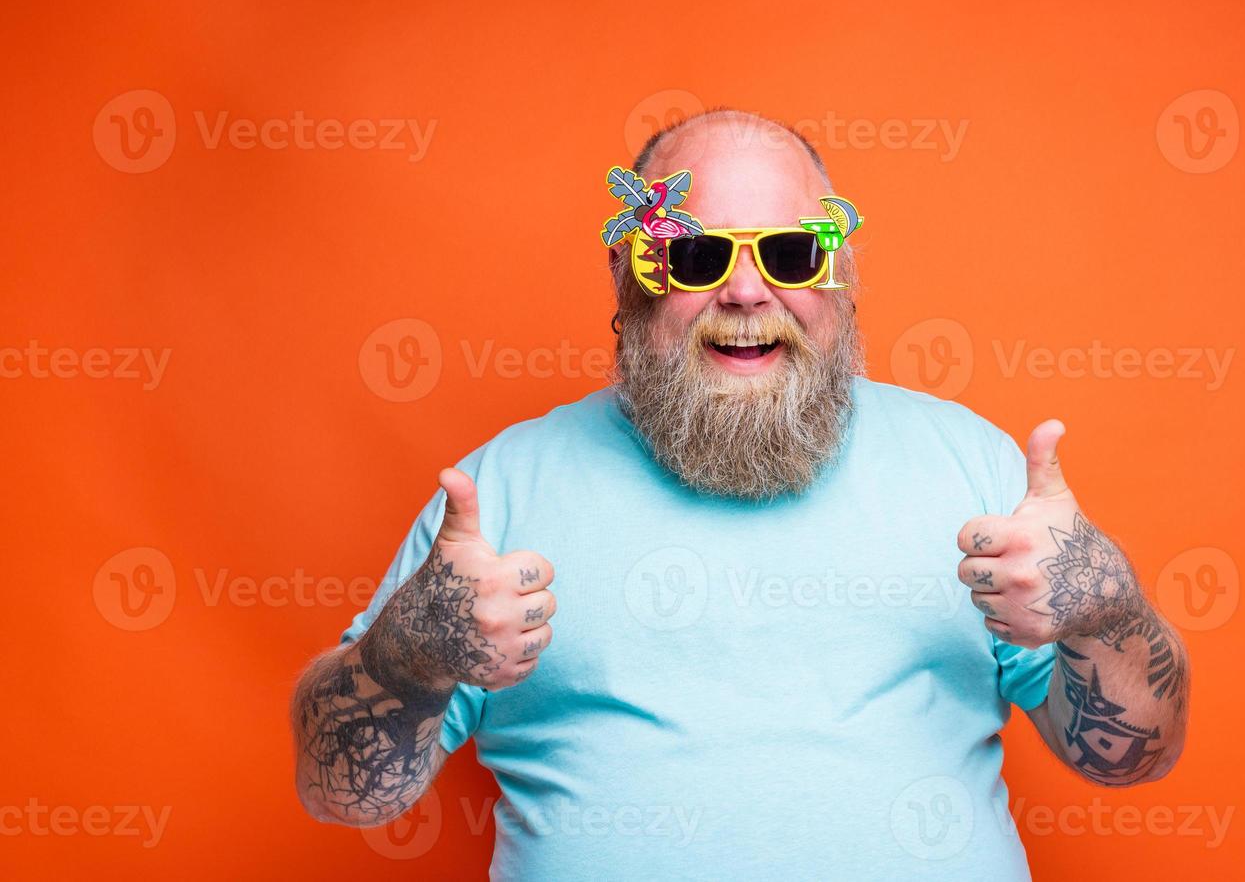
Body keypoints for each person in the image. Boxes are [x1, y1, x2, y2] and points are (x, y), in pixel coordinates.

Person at [290, 108, 1190, 880]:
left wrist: (1105, 611)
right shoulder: (497, 492)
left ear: (837, 277)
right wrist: (407, 653)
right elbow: (339, 791)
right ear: (625, 275)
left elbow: (1128, 759)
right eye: (695, 255)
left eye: (793, 255)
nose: (749, 291)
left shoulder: (974, 467)